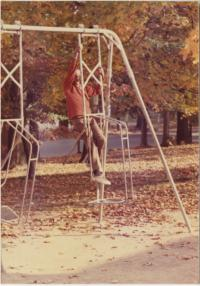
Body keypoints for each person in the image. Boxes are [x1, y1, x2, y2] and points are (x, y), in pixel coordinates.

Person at [64, 49, 111, 185]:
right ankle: (97, 172)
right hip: (78, 119)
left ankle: (95, 164)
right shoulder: (68, 87)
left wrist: (101, 75)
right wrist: (77, 56)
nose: (78, 80)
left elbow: (99, 89)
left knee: (101, 139)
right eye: (76, 78)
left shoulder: (84, 88)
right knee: (90, 141)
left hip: (89, 117)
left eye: (80, 78)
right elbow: (71, 72)